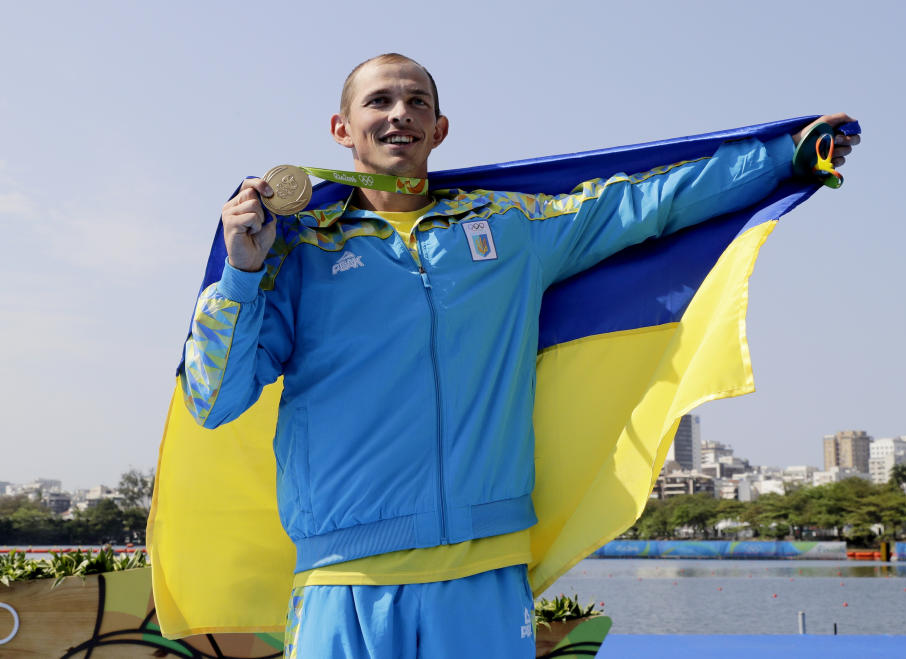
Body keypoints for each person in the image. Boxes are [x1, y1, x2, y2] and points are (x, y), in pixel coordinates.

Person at [180, 53, 859, 658]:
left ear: (440, 130)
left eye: (417, 102)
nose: (400, 114)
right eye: (380, 101)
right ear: (341, 128)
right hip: (343, 580)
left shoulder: (508, 230)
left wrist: (782, 156)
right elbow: (213, 400)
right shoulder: (296, 252)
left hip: (484, 574)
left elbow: (644, 202)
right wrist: (240, 274)